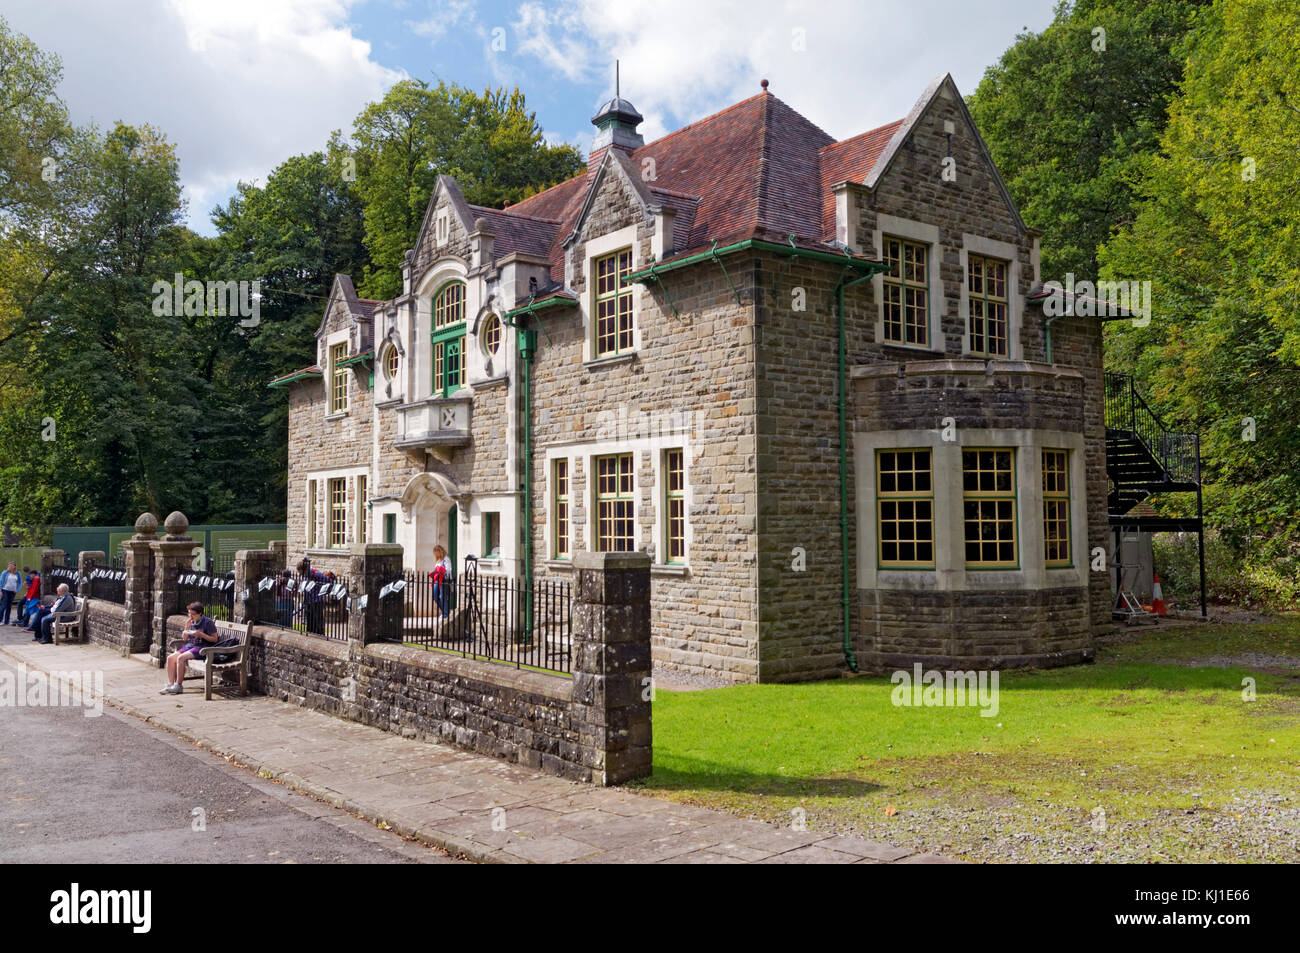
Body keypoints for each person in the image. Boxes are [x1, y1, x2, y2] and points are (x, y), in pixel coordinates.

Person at [160, 602, 218, 695]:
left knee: (181, 658)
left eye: (193, 614)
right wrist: (186, 627)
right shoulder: (191, 621)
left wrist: (201, 634)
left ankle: (178, 685)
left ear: (200, 613)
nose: (190, 616)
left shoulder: (208, 622)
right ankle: (171, 684)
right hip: (191, 646)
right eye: (189, 613)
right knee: (170, 658)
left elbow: (214, 639)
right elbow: (185, 639)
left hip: (203, 648)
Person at [297, 557, 327, 635]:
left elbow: (327, 582)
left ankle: (320, 636)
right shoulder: (304, 575)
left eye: (300, 572)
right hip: (308, 601)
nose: (299, 574)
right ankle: (310, 636)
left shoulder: (316, 574)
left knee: (318, 623)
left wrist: (319, 587)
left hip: (317, 601)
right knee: (310, 623)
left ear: (304, 569)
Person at [428, 544, 452, 619]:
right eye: (435, 553)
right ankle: (445, 611)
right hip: (437, 579)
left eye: (437, 552)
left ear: (440, 551)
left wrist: (441, 571)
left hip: (443, 580)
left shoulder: (446, 559)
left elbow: (448, 570)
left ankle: (445, 614)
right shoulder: (438, 560)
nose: (436, 554)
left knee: (443, 597)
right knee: (435, 596)